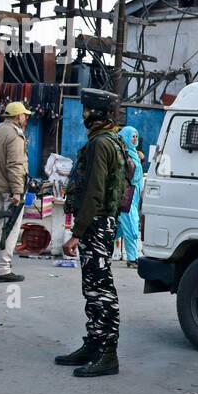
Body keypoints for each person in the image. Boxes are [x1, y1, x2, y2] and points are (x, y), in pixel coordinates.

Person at [55, 89, 127, 378]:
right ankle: (94, 344)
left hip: (96, 224)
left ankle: (107, 354)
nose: (83, 115)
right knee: (93, 287)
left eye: (87, 110)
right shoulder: (113, 140)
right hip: (101, 223)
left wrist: (77, 233)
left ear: (98, 113)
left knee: (101, 290)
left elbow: (95, 191)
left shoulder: (101, 144)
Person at [0, 101, 31, 283]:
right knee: (10, 229)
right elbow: (15, 166)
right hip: (11, 189)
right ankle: (3, 268)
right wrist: (17, 192)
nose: (25, 118)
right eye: (24, 115)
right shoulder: (14, 135)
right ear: (17, 116)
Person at [116, 125, 145, 267]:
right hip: (126, 195)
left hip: (134, 196)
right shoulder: (122, 155)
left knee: (120, 227)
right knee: (132, 227)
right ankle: (132, 258)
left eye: (136, 136)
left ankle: (98, 248)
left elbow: (138, 177)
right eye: (131, 136)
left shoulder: (135, 154)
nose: (134, 139)